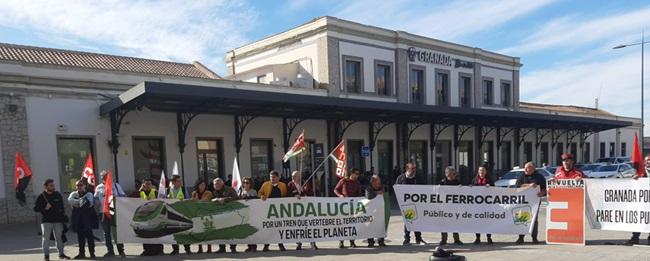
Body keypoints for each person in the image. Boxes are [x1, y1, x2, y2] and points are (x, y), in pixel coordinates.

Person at [34, 179, 71, 261]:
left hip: (58, 221)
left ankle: (61, 254)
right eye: (51, 185)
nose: (53, 187)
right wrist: (45, 208)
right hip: (46, 221)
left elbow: (62, 207)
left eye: (53, 185)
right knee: (45, 238)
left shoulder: (57, 195)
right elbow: (36, 209)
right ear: (46, 187)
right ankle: (46, 256)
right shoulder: (41, 196)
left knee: (59, 238)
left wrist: (62, 217)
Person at [94, 170, 126, 258]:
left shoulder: (115, 185)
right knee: (106, 232)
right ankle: (110, 251)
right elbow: (96, 199)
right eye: (102, 177)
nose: (103, 178)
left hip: (114, 212)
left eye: (105, 177)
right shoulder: (98, 187)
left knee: (116, 232)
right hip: (103, 212)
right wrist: (95, 203)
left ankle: (121, 251)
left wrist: (116, 198)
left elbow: (123, 196)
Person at [515, 162, 546, 244]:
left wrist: (542, 193)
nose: (525, 169)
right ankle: (521, 238)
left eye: (527, 167)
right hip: (523, 201)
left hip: (534, 201)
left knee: (534, 219)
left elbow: (544, 189)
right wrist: (529, 185)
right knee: (521, 218)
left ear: (533, 168)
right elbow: (517, 186)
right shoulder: (522, 176)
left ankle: (534, 238)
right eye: (525, 167)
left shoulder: (539, 177)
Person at [395, 162, 426, 246]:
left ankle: (418, 238)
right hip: (405, 204)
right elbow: (396, 189)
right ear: (407, 169)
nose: (414, 170)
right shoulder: (401, 178)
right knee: (408, 221)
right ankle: (406, 239)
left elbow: (424, 189)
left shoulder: (419, 178)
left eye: (415, 168)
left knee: (417, 221)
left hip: (417, 203)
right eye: (412, 168)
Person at [287, 171, 318, 250]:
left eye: (296, 176)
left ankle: (312, 243)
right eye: (293, 176)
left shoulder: (305, 183)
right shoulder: (290, 184)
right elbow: (288, 194)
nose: (294, 178)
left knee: (309, 226)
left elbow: (310, 193)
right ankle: (299, 243)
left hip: (305, 209)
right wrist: (295, 194)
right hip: (295, 209)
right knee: (298, 226)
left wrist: (304, 190)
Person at [68, 179, 98, 259]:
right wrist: (81, 201)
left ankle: (92, 253)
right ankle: (81, 253)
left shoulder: (88, 194)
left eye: (80, 185)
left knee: (90, 237)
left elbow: (89, 203)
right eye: (77, 185)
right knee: (80, 237)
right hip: (78, 219)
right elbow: (70, 201)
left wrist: (77, 203)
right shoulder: (73, 193)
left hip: (87, 219)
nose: (79, 187)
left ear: (84, 186)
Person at [259, 170, 288, 251]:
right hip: (268, 210)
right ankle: (266, 245)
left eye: (274, 177)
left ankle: (280, 244)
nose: (272, 179)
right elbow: (260, 193)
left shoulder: (283, 185)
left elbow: (285, 195)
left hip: (279, 210)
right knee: (268, 227)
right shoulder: (265, 185)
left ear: (278, 178)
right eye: (271, 177)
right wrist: (262, 196)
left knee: (279, 227)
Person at [334, 168, 362, 249]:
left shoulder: (357, 183)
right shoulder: (344, 181)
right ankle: (341, 242)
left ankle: (352, 241)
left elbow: (359, 194)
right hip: (343, 206)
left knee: (352, 224)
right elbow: (336, 189)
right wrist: (340, 195)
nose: (357, 175)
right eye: (356, 174)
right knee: (343, 224)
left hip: (353, 206)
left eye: (358, 174)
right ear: (352, 174)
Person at [626, 155, 650, 246]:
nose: (647, 162)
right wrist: (635, 178)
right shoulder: (640, 172)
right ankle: (635, 237)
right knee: (639, 218)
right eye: (646, 160)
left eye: (649, 160)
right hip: (642, 201)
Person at [212, 178, 239, 253]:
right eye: (215, 184)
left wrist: (224, 199)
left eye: (218, 184)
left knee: (231, 231)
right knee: (220, 231)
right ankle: (222, 248)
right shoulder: (214, 192)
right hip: (219, 215)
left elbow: (236, 198)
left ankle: (233, 248)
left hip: (230, 213)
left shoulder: (230, 189)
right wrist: (214, 200)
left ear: (222, 184)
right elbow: (211, 199)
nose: (216, 185)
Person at [139, 178, 163, 256]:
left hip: (155, 216)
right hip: (144, 217)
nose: (148, 185)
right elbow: (131, 199)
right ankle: (146, 250)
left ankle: (159, 250)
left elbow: (162, 200)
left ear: (152, 185)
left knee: (156, 233)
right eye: (146, 184)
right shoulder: (140, 193)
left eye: (149, 184)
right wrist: (139, 190)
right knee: (145, 234)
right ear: (143, 185)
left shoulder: (155, 192)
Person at [439, 167, 463, 245]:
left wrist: (462, 188)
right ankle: (443, 240)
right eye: (450, 174)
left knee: (454, 223)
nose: (452, 175)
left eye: (453, 174)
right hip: (444, 207)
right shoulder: (442, 183)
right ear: (446, 174)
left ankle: (456, 239)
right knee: (443, 223)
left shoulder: (457, 182)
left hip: (454, 207)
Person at [169, 175, 192, 255]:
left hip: (182, 213)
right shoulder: (168, 190)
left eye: (180, 181)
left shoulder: (183, 189)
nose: (180, 182)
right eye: (178, 181)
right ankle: (175, 249)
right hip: (172, 213)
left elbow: (188, 199)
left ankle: (187, 249)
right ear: (173, 182)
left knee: (185, 231)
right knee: (173, 231)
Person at [472, 166, 494, 244]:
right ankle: (477, 238)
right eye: (480, 170)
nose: (481, 172)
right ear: (478, 172)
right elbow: (470, 189)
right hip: (477, 205)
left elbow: (494, 190)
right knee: (477, 221)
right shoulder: (475, 180)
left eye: (483, 170)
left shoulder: (489, 180)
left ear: (486, 172)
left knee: (487, 221)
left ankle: (489, 237)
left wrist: (490, 187)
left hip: (487, 205)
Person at [191, 178, 213, 253]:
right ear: (198, 185)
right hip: (197, 214)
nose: (203, 186)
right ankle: (200, 248)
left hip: (206, 214)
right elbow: (192, 202)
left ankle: (209, 248)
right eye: (201, 184)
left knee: (207, 231)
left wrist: (196, 201)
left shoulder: (208, 192)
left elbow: (205, 201)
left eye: (204, 184)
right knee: (198, 231)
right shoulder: (194, 193)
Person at [238, 177, 258, 252]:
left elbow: (256, 199)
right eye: (244, 183)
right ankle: (249, 246)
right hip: (244, 213)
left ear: (250, 184)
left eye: (247, 183)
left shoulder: (253, 191)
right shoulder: (241, 191)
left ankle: (254, 246)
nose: (245, 184)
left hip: (252, 212)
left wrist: (249, 198)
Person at [366, 175, 386, 247]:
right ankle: (370, 241)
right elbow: (368, 196)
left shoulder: (381, 187)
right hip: (370, 211)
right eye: (378, 181)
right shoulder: (368, 188)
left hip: (380, 210)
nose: (379, 183)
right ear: (373, 182)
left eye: (379, 181)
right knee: (370, 225)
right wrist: (377, 193)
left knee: (380, 225)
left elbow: (384, 193)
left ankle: (381, 241)